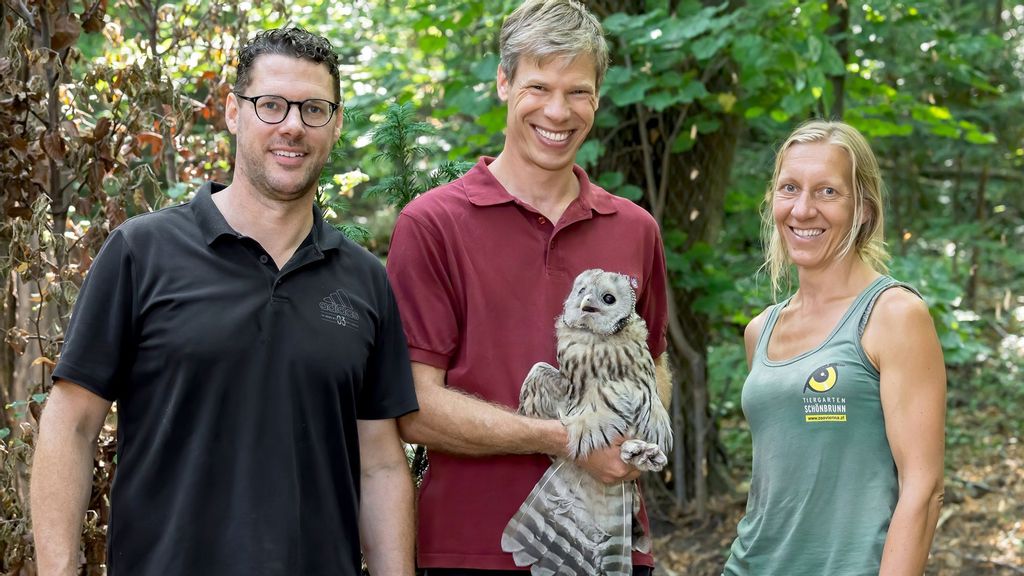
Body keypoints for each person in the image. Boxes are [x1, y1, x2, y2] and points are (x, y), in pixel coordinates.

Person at [30, 27, 418, 576]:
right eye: (271, 105)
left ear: (334, 126)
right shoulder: (143, 252)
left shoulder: (363, 281)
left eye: (313, 109)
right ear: (233, 113)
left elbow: (379, 466)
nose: (292, 126)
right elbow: (69, 425)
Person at [385, 1, 671, 574]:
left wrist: (636, 432)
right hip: (477, 551)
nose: (558, 111)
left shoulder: (635, 229)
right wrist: (573, 439)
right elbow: (413, 407)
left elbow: (655, 363)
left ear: (599, 95)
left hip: (611, 551)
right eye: (538, 86)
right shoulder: (434, 224)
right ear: (502, 81)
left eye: (579, 91)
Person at [722, 119, 946, 575]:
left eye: (827, 192)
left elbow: (923, 489)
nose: (803, 209)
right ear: (773, 202)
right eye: (790, 188)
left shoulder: (893, 316)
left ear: (863, 208)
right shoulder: (759, 330)